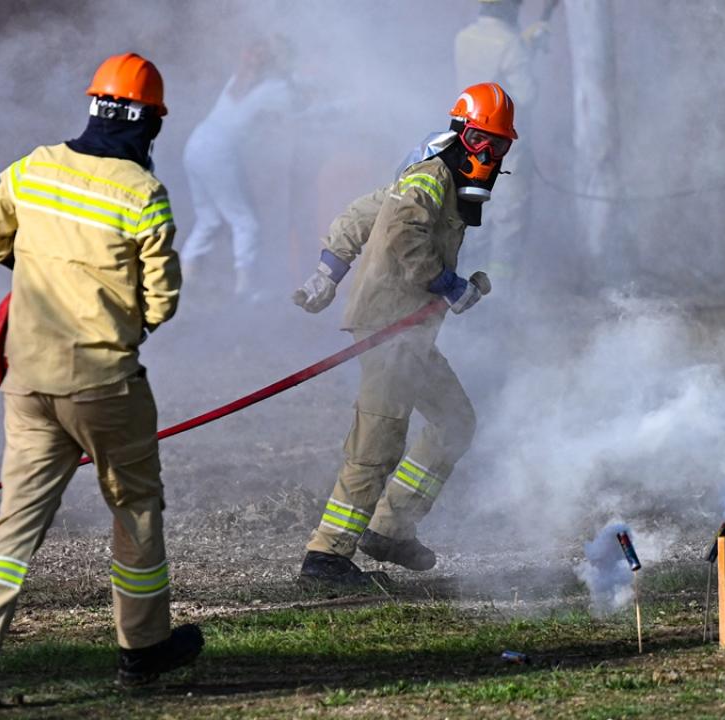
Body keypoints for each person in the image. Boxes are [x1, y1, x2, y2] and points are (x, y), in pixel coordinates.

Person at [0, 52, 201, 707]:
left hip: (28, 382)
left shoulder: (36, 166)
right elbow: (163, 301)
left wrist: (32, 265)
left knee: (17, 515)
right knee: (135, 506)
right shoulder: (141, 193)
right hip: (105, 384)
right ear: (150, 123)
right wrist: (118, 310)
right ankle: (143, 650)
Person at [291, 83, 518, 585]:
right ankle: (326, 556)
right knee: (377, 441)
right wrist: (447, 284)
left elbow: (363, 215)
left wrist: (329, 270)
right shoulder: (430, 176)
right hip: (389, 326)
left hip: (411, 332)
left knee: (455, 421)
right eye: (482, 142)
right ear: (461, 134)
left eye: (499, 147)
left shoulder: (432, 177)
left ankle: (391, 527)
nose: (489, 157)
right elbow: (402, 232)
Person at [180, 36, 294, 297]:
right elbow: (296, 111)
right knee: (245, 222)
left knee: (209, 218)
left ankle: (187, 276)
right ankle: (245, 289)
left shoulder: (237, 80)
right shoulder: (273, 89)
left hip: (196, 143)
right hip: (217, 151)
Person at [454, 0, 548, 282]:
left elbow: (492, 73)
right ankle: (499, 289)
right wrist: (527, 49)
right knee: (508, 217)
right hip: (503, 143)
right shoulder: (510, 45)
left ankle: (467, 282)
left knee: (477, 208)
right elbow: (527, 95)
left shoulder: (464, 37)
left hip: (470, 138)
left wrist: (522, 45)